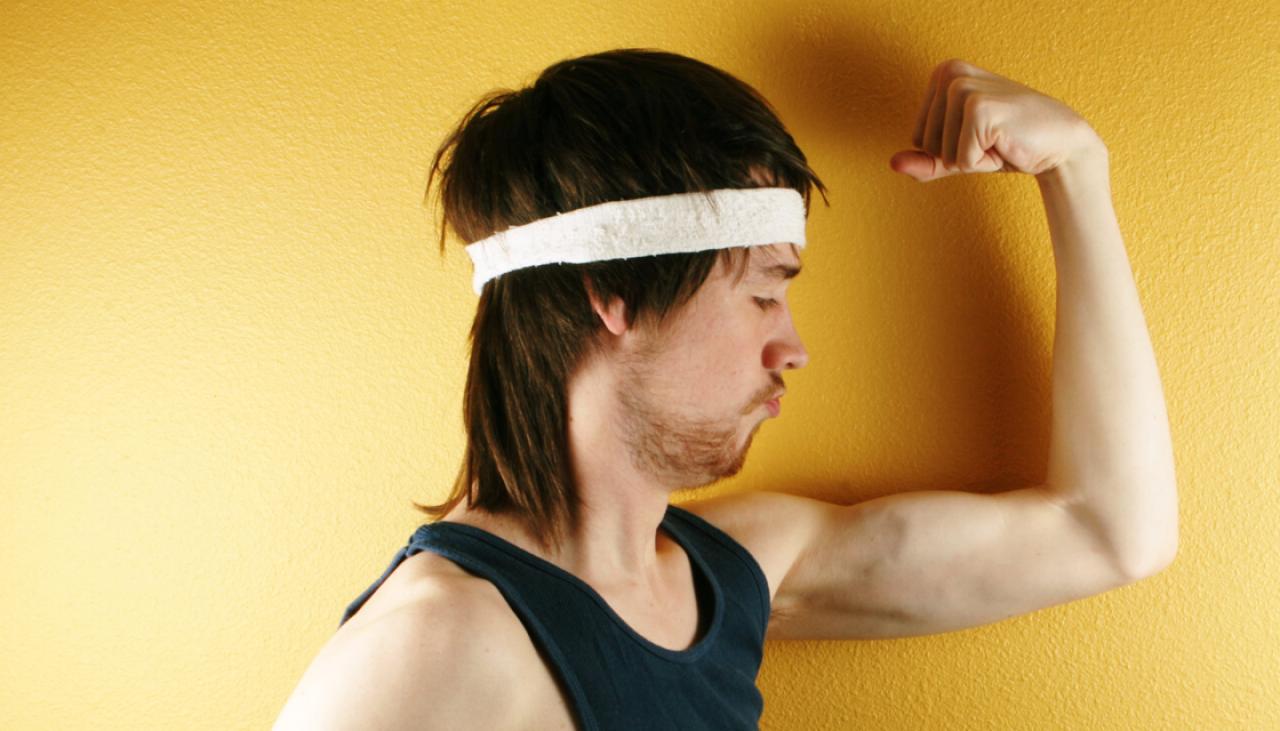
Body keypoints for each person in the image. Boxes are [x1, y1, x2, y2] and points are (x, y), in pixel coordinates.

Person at [274, 49, 1177, 730]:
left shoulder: (731, 575)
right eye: (762, 292)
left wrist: (1077, 168)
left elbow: (1109, 532)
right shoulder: (429, 652)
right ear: (613, 294)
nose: (793, 344)